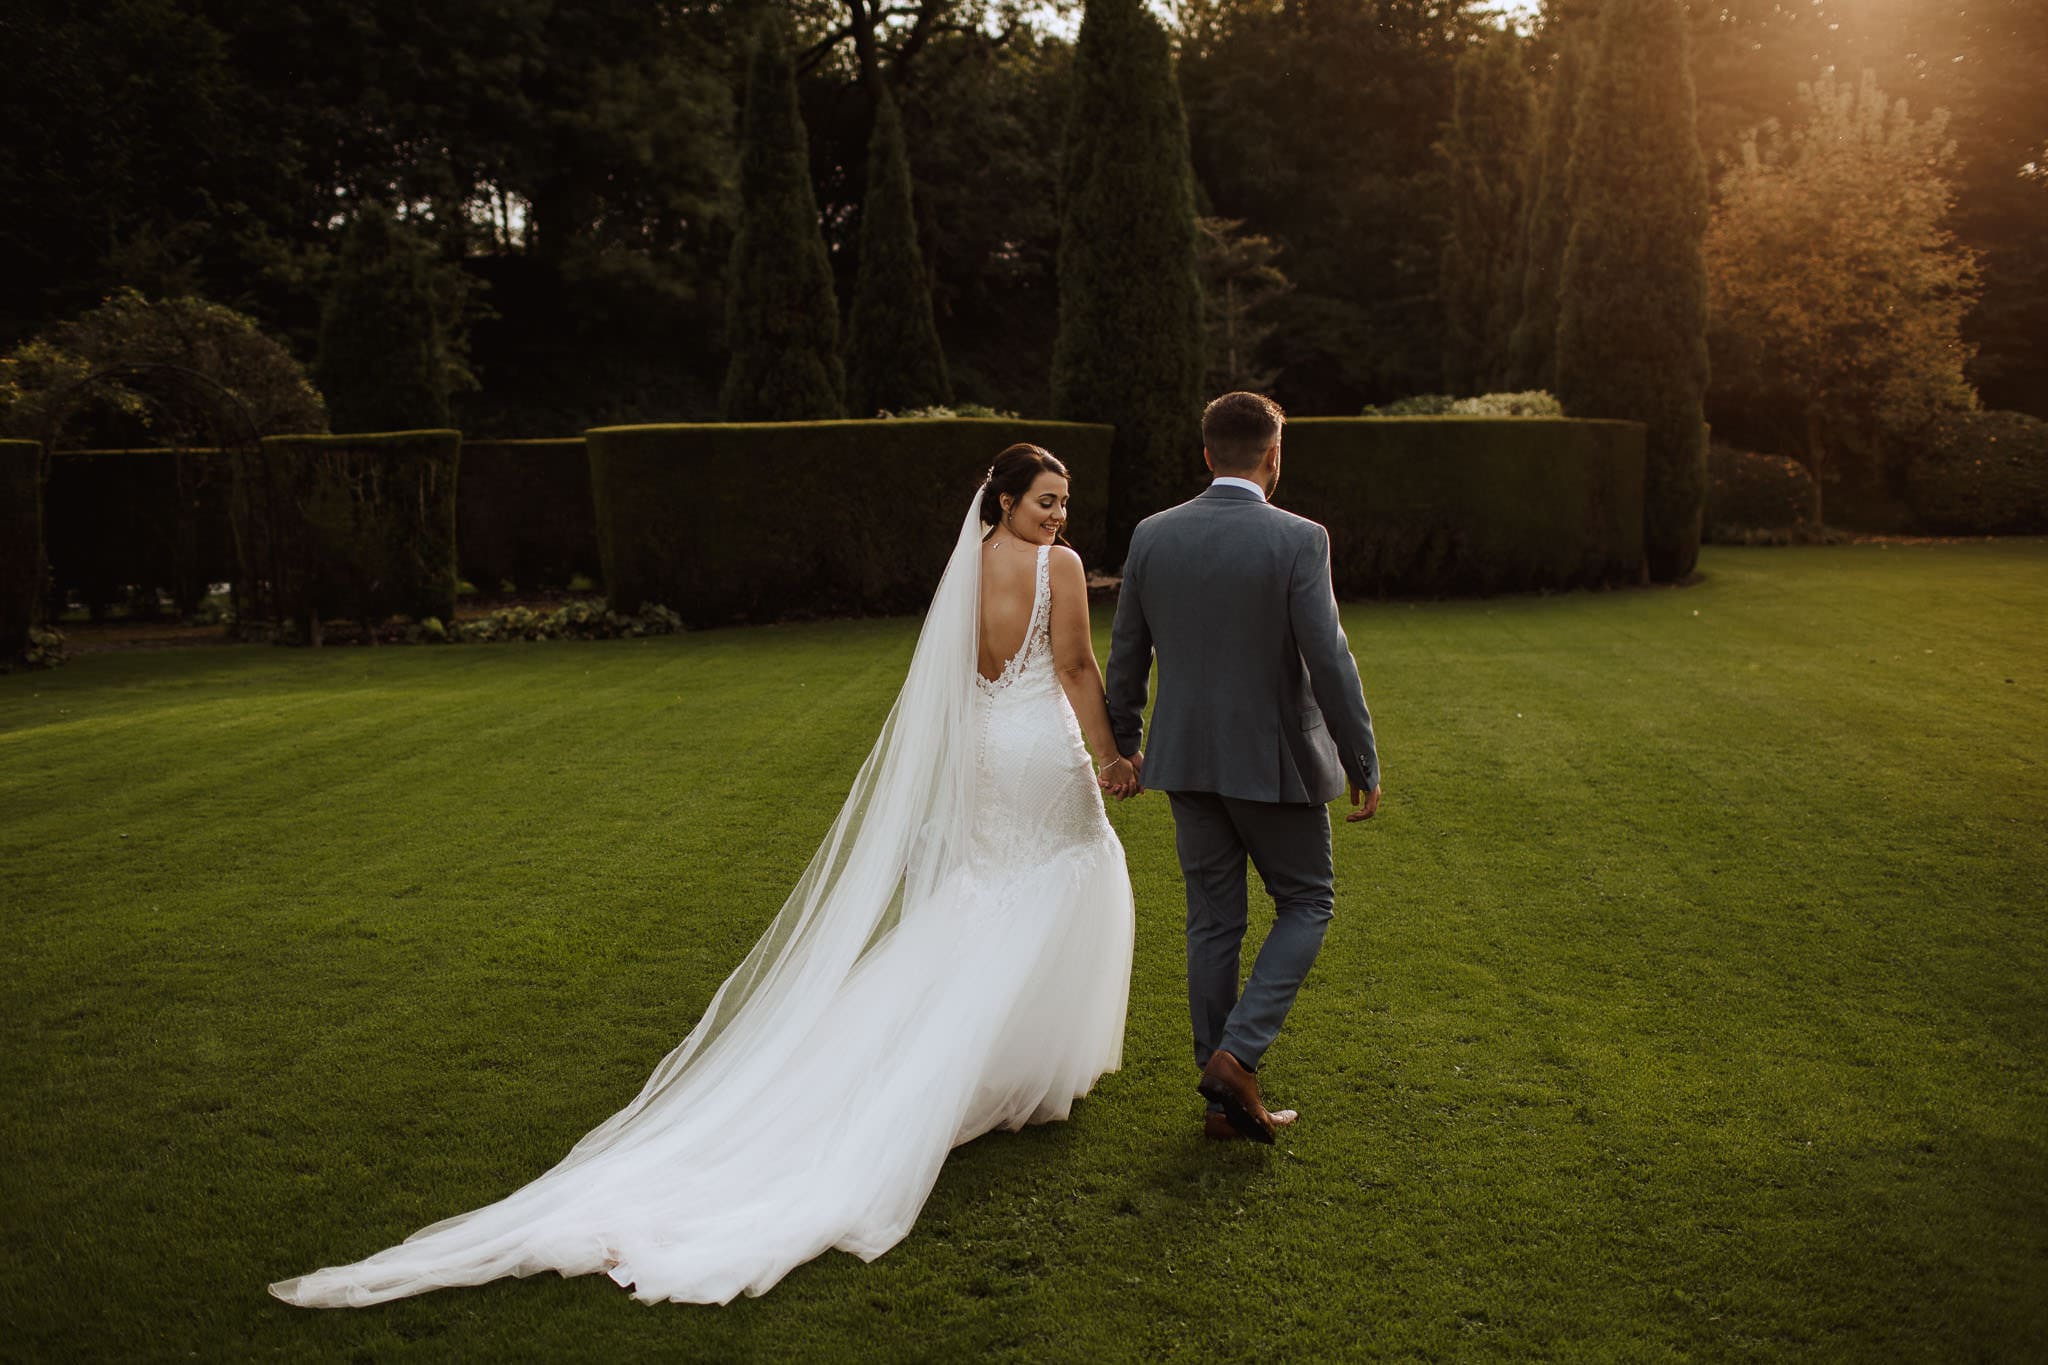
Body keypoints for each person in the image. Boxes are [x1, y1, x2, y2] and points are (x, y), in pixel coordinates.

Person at [270, 443, 1140, 1307]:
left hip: (990, 750)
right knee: (1059, 878)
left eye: (1064, 504)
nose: (1059, 517)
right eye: (1045, 501)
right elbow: (1071, 667)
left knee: (988, 899)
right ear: (1005, 502)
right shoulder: (1055, 567)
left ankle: (993, 1066)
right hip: (1039, 752)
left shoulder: (969, 566)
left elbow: (954, 679)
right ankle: (1007, 1074)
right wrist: (1112, 755)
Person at [1105, 391, 1381, 1145]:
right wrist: (1361, 757)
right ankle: (1237, 1058)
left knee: (1213, 921)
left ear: (1205, 455)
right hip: (1275, 762)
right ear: (1273, 455)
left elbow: (1126, 652)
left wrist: (1124, 740)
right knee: (1308, 901)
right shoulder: (1299, 538)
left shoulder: (1153, 535)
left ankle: (1219, 1097)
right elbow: (1329, 658)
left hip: (1184, 759)